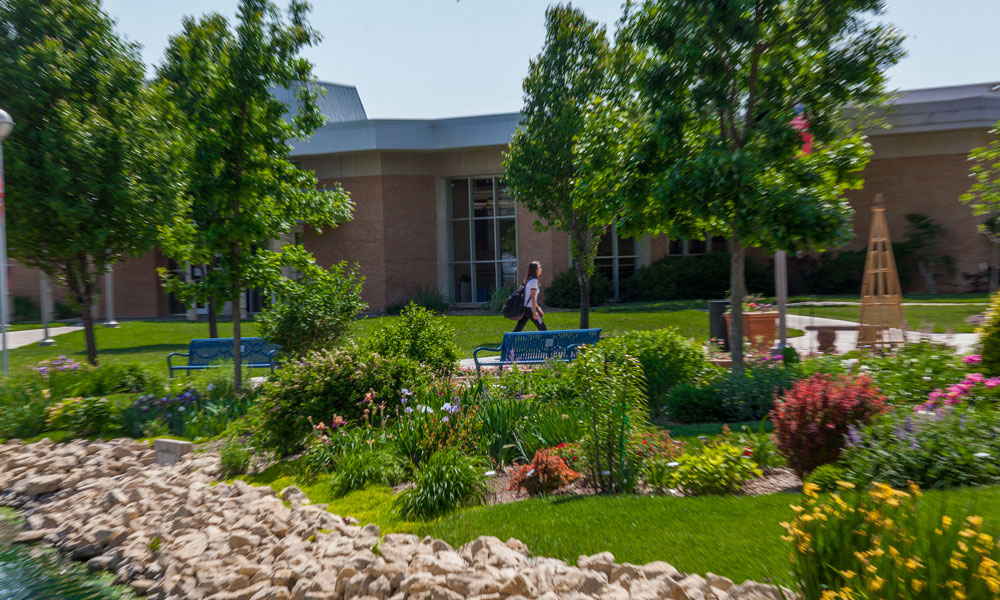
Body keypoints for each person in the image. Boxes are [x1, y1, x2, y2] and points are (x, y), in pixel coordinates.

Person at [514, 261, 547, 332]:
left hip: (526, 308)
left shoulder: (529, 280)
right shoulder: (534, 281)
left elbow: (530, 297)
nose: (540, 269)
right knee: (543, 328)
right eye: (539, 267)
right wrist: (535, 312)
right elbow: (533, 298)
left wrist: (539, 308)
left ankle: (509, 342)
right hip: (530, 309)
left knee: (518, 328)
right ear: (535, 270)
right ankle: (548, 342)